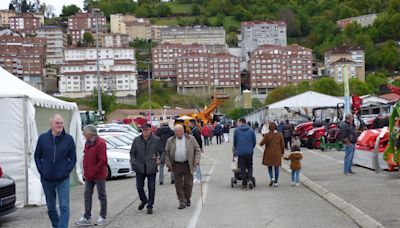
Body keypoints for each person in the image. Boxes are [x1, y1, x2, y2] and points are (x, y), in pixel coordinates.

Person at [34, 114, 76, 228]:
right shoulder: (43, 138)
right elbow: (37, 156)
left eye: (61, 123)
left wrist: (67, 171)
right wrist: (41, 170)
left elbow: (73, 158)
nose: (60, 125)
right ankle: (57, 225)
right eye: (57, 123)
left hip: (63, 178)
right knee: (51, 208)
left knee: (64, 207)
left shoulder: (69, 139)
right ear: (51, 124)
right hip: (47, 179)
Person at [76, 125, 108, 226]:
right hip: (89, 175)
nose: (83, 134)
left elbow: (103, 160)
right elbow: (86, 157)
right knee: (87, 195)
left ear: (89, 133)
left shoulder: (100, 143)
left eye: (84, 133)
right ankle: (87, 216)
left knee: (102, 195)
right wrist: (86, 172)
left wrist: (94, 171)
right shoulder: (87, 142)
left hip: (98, 175)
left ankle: (103, 216)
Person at [130, 123, 163, 214]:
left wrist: (159, 159)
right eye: (143, 130)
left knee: (151, 187)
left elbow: (162, 151)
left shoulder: (156, 140)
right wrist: (134, 163)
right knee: (139, 186)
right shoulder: (136, 140)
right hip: (139, 167)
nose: (145, 131)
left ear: (150, 130)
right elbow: (132, 153)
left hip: (151, 167)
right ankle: (144, 200)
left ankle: (150, 205)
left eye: (147, 130)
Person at [165, 124, 201, 209]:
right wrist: (168, 164)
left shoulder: (190, 139)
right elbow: (166, 153)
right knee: (178, 184)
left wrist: (197, 159)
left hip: (188, 164)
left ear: (183, 131)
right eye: (176, 131)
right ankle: (182, 201)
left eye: (180, 130)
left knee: (188, 183)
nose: (178, 133)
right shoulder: (170, 140)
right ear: (174, 132)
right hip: (176, 165)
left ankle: (187, 198)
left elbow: (197, 150)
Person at [233, 118, 256, 190]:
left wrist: (236, 149)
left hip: (241, 152)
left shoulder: (236, 131)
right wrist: (251, 148)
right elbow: (254, 142)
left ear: (240, 122)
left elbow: (235, 142)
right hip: (249, 152)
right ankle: (249, 180)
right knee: (249, 166)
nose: (237, 123)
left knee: (242, 168)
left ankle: (244, 184)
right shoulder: (251, 130)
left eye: (238, 122)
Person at [260, 122, 285, 187]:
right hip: (277, 153)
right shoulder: (279, 135)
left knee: (270, 166)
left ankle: (272, 178)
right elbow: (282, 145)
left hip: (269, 153)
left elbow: (261, 143)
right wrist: (282, 152)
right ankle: (276, 182)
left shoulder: (267, 135)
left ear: (269, 128)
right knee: (276, 168)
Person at [188, 119, 203, 184]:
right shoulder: (193, 130)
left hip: (195, 149)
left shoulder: (195, 131)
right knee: (196, 164)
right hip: (194, 148)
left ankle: (198, 178)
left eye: (189, 123)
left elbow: (199, 140)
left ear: (192, 124)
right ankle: (199, 177)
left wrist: (200, 147)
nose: (188, 125)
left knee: (196, 163)